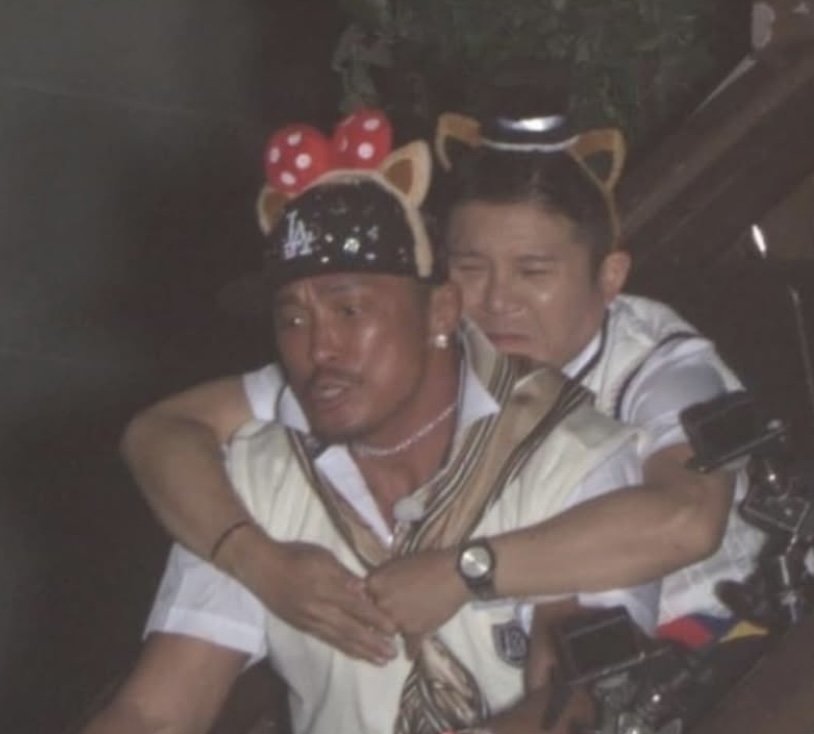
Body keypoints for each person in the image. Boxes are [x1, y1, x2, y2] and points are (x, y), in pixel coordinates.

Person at [0, 123, 655, 734]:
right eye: (293, 318)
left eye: (351, 310)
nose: (320, 349)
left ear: (440, 310)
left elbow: (583, 705)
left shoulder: (568, 456)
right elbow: (153, 721)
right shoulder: (254, 481)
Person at [121, 105, 764, 661]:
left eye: (533, 272)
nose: (497, 302)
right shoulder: (421, 350)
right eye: (471, 268)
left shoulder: (661, 365)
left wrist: (466, 571)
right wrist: (262, 566)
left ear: (610, 276)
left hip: (724, 648)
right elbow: (161, 433)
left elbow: (687, 520)